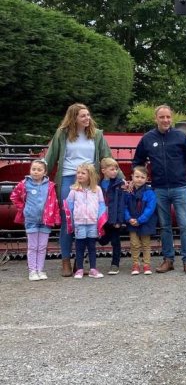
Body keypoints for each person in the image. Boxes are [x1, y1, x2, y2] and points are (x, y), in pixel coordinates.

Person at [44, 103, 115, 277]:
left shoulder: (97, 135)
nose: (87, 118)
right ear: (73, 117)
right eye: (83, 116)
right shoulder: (62, 134)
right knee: (69, 221)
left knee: (89, 220)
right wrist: (37, 176)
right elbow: (50, 158)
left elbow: (107, 157)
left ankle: (80, 262)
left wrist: (119, 176)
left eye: (88, 115)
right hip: (68, 179)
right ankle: (66, 261)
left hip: (90, 181)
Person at [132, 105, 186, 275]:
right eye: (162, 117)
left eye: (168, 117)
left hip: (181, 187)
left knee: (185, 225)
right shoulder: (147, 138)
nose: (165, 120)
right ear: (156, 119)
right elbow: (137, 162)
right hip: (159, 189)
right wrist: (139, 180)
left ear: (172, 118)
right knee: (165, 226)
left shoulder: (181, 137)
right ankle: (168, 260)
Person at [10, 158, 60, 281]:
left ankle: (40, 270)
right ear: (30, 170)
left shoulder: (50, 186)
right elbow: (14, 196)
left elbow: (54, 202)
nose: (36, 172)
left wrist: (55, 216)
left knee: (42, 246)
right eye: (33, 169)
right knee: (33, 246)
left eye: (39, 170)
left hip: (45, 220)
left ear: (45, 172)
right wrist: (24, 208)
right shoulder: (24, 184)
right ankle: (32, 271)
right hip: (31, 219)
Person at [64, 162, 108, 279]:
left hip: (93, 222)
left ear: (90, 175)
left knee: (92, 246)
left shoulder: (97, 190)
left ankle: (93, 268)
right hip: (79, 223)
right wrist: (72, 222)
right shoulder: (74, 190)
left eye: (83, 173)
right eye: (78, 173)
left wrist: (100, 220)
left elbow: (102, 206)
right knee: (79, 246)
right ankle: (79, 269)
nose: (79, 175)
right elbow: (68, 206)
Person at [124, 166, 158, 276]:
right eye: (137, 176)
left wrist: (140, 220)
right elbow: (124, 206)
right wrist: (128, 218)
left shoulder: (149, 192)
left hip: (145, 222)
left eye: (142, 177)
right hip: (132, 221)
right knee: (134, 244)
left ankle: (146, 265)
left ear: (147, 178)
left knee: (146, 244)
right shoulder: (128, 192)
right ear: (132, 177)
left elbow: (150, 208)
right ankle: (135, 264)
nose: (139, 179)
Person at [98, 157, 127, 275]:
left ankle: (115, 264)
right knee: (103, 240)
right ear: (103, 170)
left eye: (116, 169)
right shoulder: (98, 184)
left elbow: (121, 204)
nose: (115, 171)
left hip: (114, 218)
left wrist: (119, 220)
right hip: (102, 218)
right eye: (112, 169)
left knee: (116, 241)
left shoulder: (119, 184)